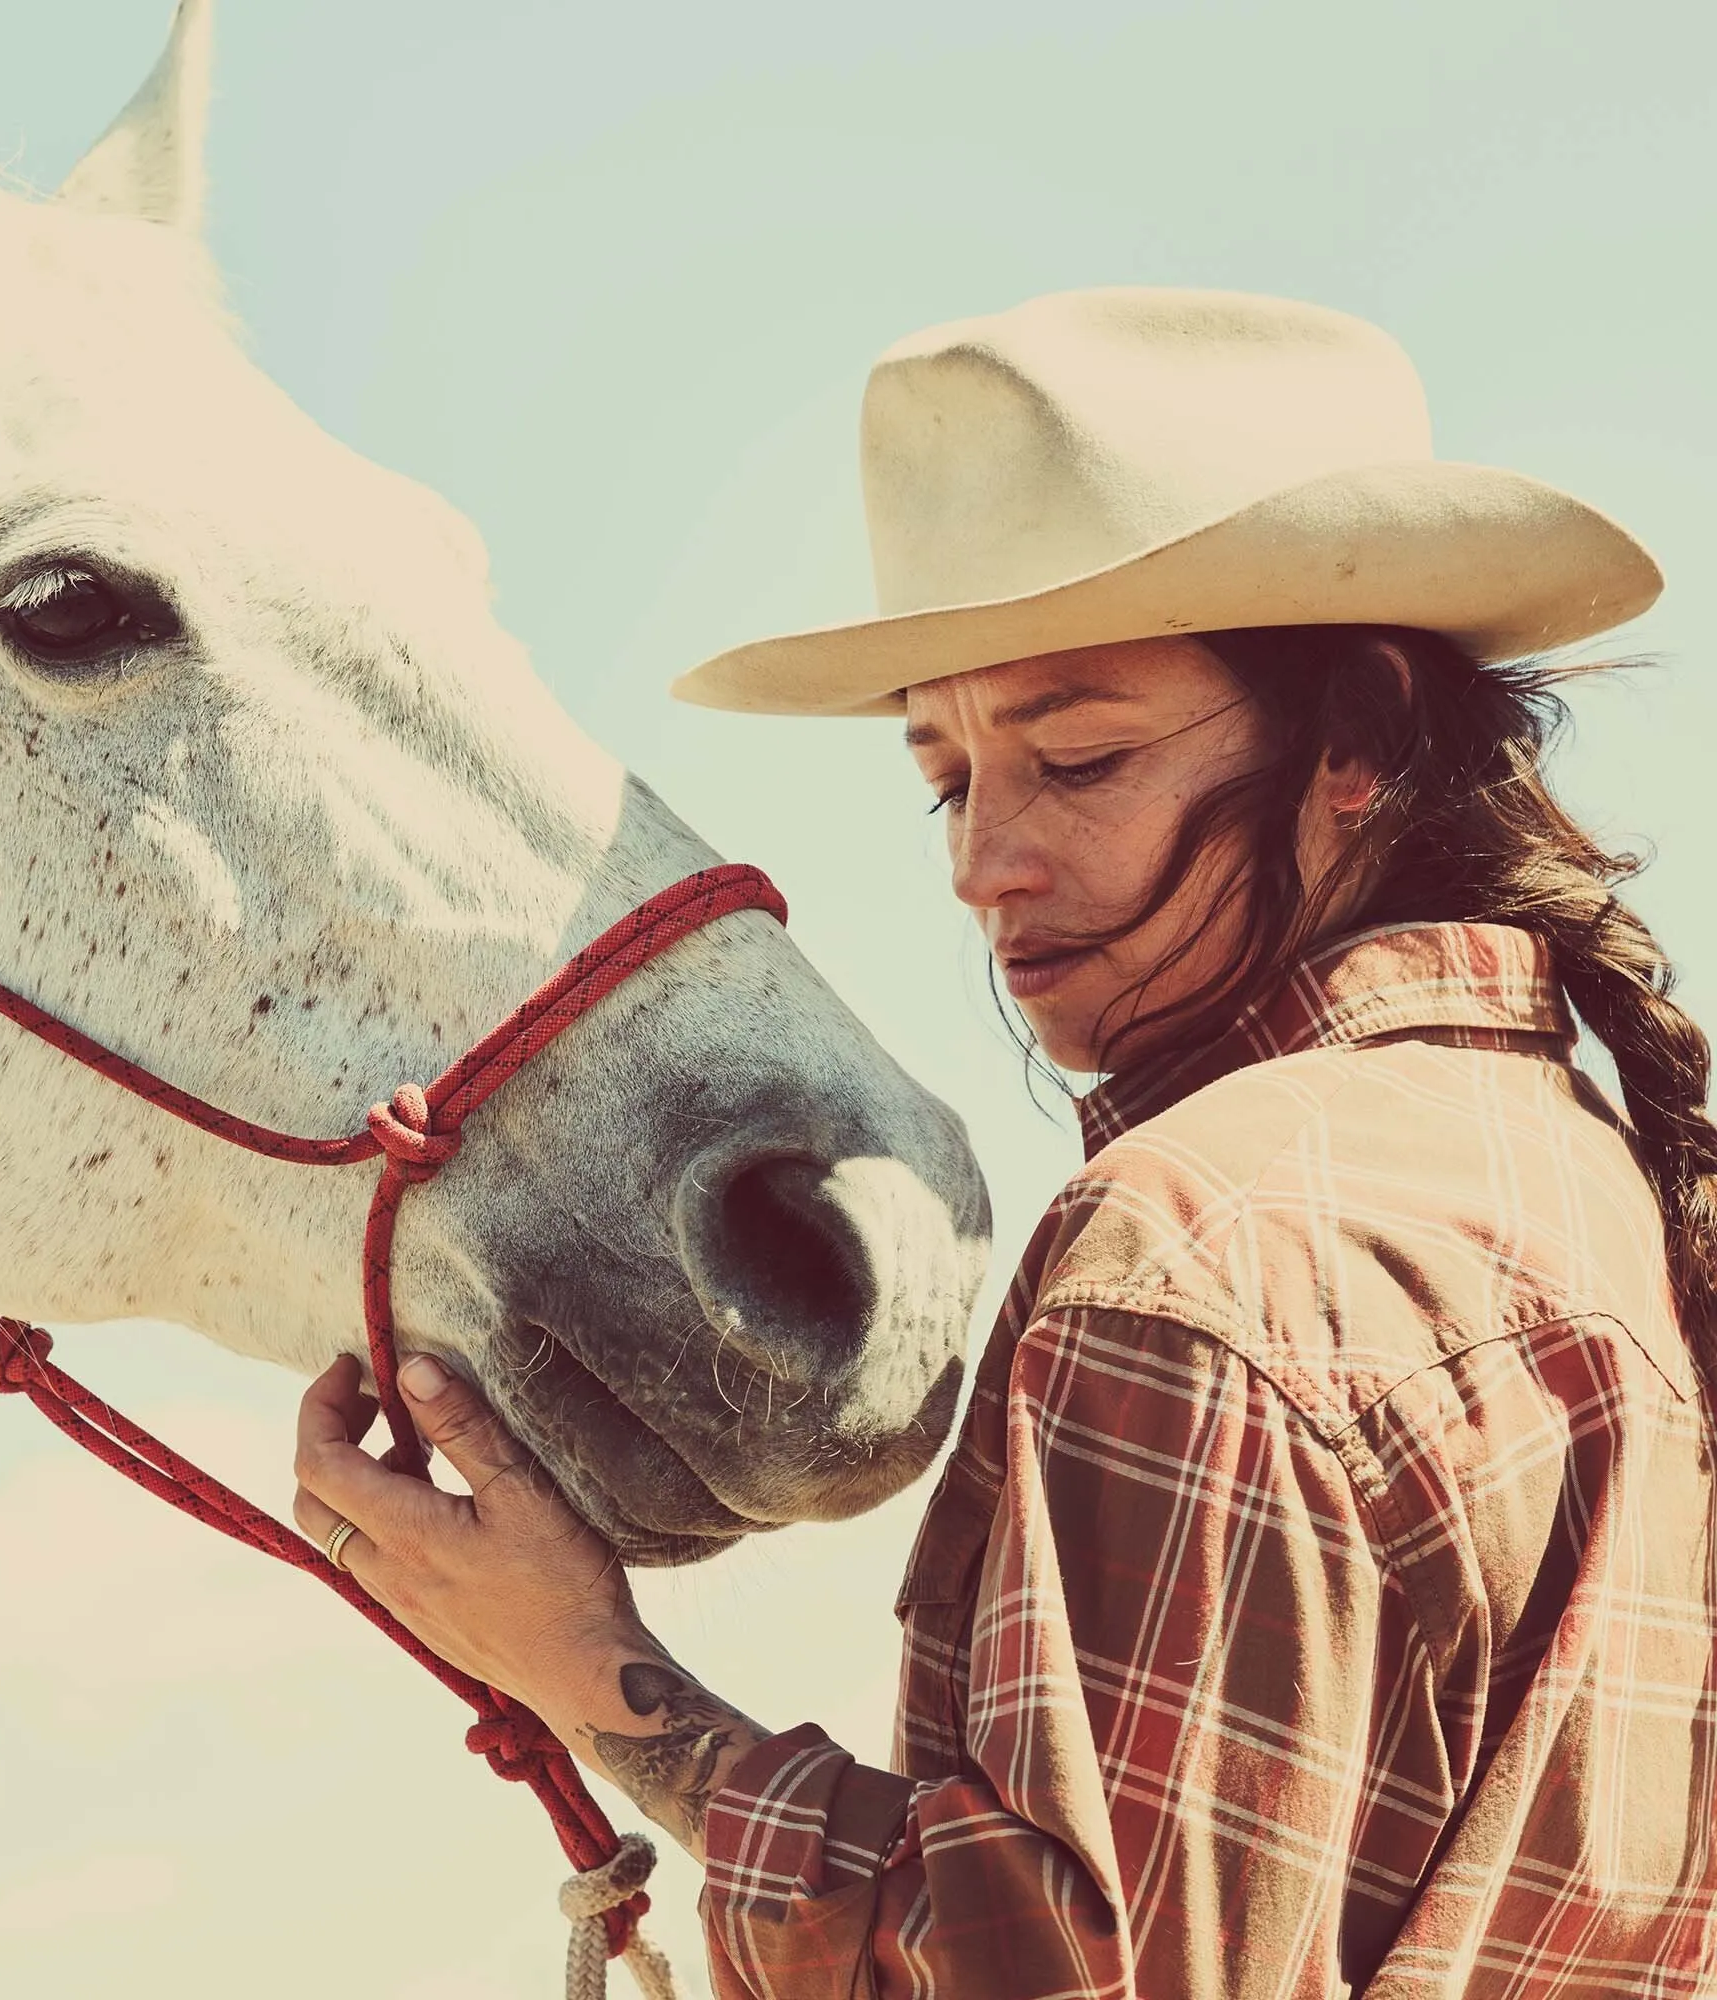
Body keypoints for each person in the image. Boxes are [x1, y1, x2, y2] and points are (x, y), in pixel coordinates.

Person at [291, 289, 1717, 1997]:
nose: (983, 865)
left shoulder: (1195, 1250)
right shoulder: (1603, 1184)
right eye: (949, 777)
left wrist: (589, 1672)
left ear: (1362, 740)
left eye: (1080, 756)